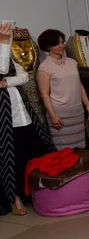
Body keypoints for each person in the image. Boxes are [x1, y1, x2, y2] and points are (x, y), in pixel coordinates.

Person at [0, 23, 55, 216]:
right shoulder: (4, 51)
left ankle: (35, 190)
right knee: (9, 155)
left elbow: (23, 76)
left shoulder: (7, 54)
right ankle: (14, 198)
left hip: (22, 108)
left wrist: (7, 82)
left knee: (32, 150)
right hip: (4, 115)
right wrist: (4, 42)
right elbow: (1, 67)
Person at [37, 29, 89, 150]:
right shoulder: (44, 67)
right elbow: (44, 94)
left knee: (80, 148)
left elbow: (79, 84)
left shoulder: (72, 62)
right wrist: (52, 116)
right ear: (47, 46)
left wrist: (87, 103)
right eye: (56, 43)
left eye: (62, 42)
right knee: (63, 152)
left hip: (77, 111)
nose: (61, 46)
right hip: (60, 113)